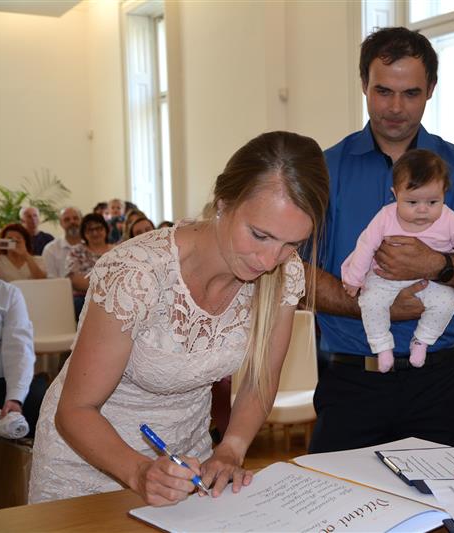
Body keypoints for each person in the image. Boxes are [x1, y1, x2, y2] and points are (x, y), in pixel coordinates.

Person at [29, 131, 329, 506]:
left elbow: (260, 378)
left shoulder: (285, 276)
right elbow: (74, 411)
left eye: (292, 244)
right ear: (222, 203)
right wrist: (139, 472)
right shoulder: (137, 274)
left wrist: (231, 449)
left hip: (189, 461)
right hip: (88, 461)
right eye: (259, 235)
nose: (269, 260)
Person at [308, 27, 454, 453]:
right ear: (363, 85)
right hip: (350, 380)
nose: (396, 108)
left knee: (440, 511)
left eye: (411, 93)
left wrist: (436, 266)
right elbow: (292, 277)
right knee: (341, 512)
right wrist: (372, 302)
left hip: (437, 382)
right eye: (383, 91)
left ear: (431, 90)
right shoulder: (324, 170)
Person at [342, 149, 454, 372]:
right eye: (412, 202)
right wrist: (354, 279)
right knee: (370, 302)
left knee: (447, 304)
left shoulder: (449, 219)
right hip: (384, 277)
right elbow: (365, 244)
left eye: (432, 201)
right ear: (395, 194)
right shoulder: (385, 216)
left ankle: (422, 341)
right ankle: (382, 346)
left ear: (444, 194)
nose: (422, 210)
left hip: (430, 281)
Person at [0, 279, 46, 439]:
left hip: (0, 382)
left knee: (40, 402)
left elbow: (19, 350)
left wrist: (15, 397)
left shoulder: (7, 293)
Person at [66, 213, 113, 319]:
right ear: (83, 233)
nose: (95, 233)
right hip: (85, 298)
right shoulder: (76, 251)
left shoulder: (118, 250)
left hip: (115, 297)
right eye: (89, 230)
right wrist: (104, 289)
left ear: (106, 229)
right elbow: (75, 280)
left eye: (98, 228)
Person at [41, 207, 83, 278]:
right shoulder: (50, 249)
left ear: (82, 221)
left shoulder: (92, 245)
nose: (72, 222)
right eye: (67, 220)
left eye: (75, 218)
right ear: (61, 223)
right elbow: (51, 279)